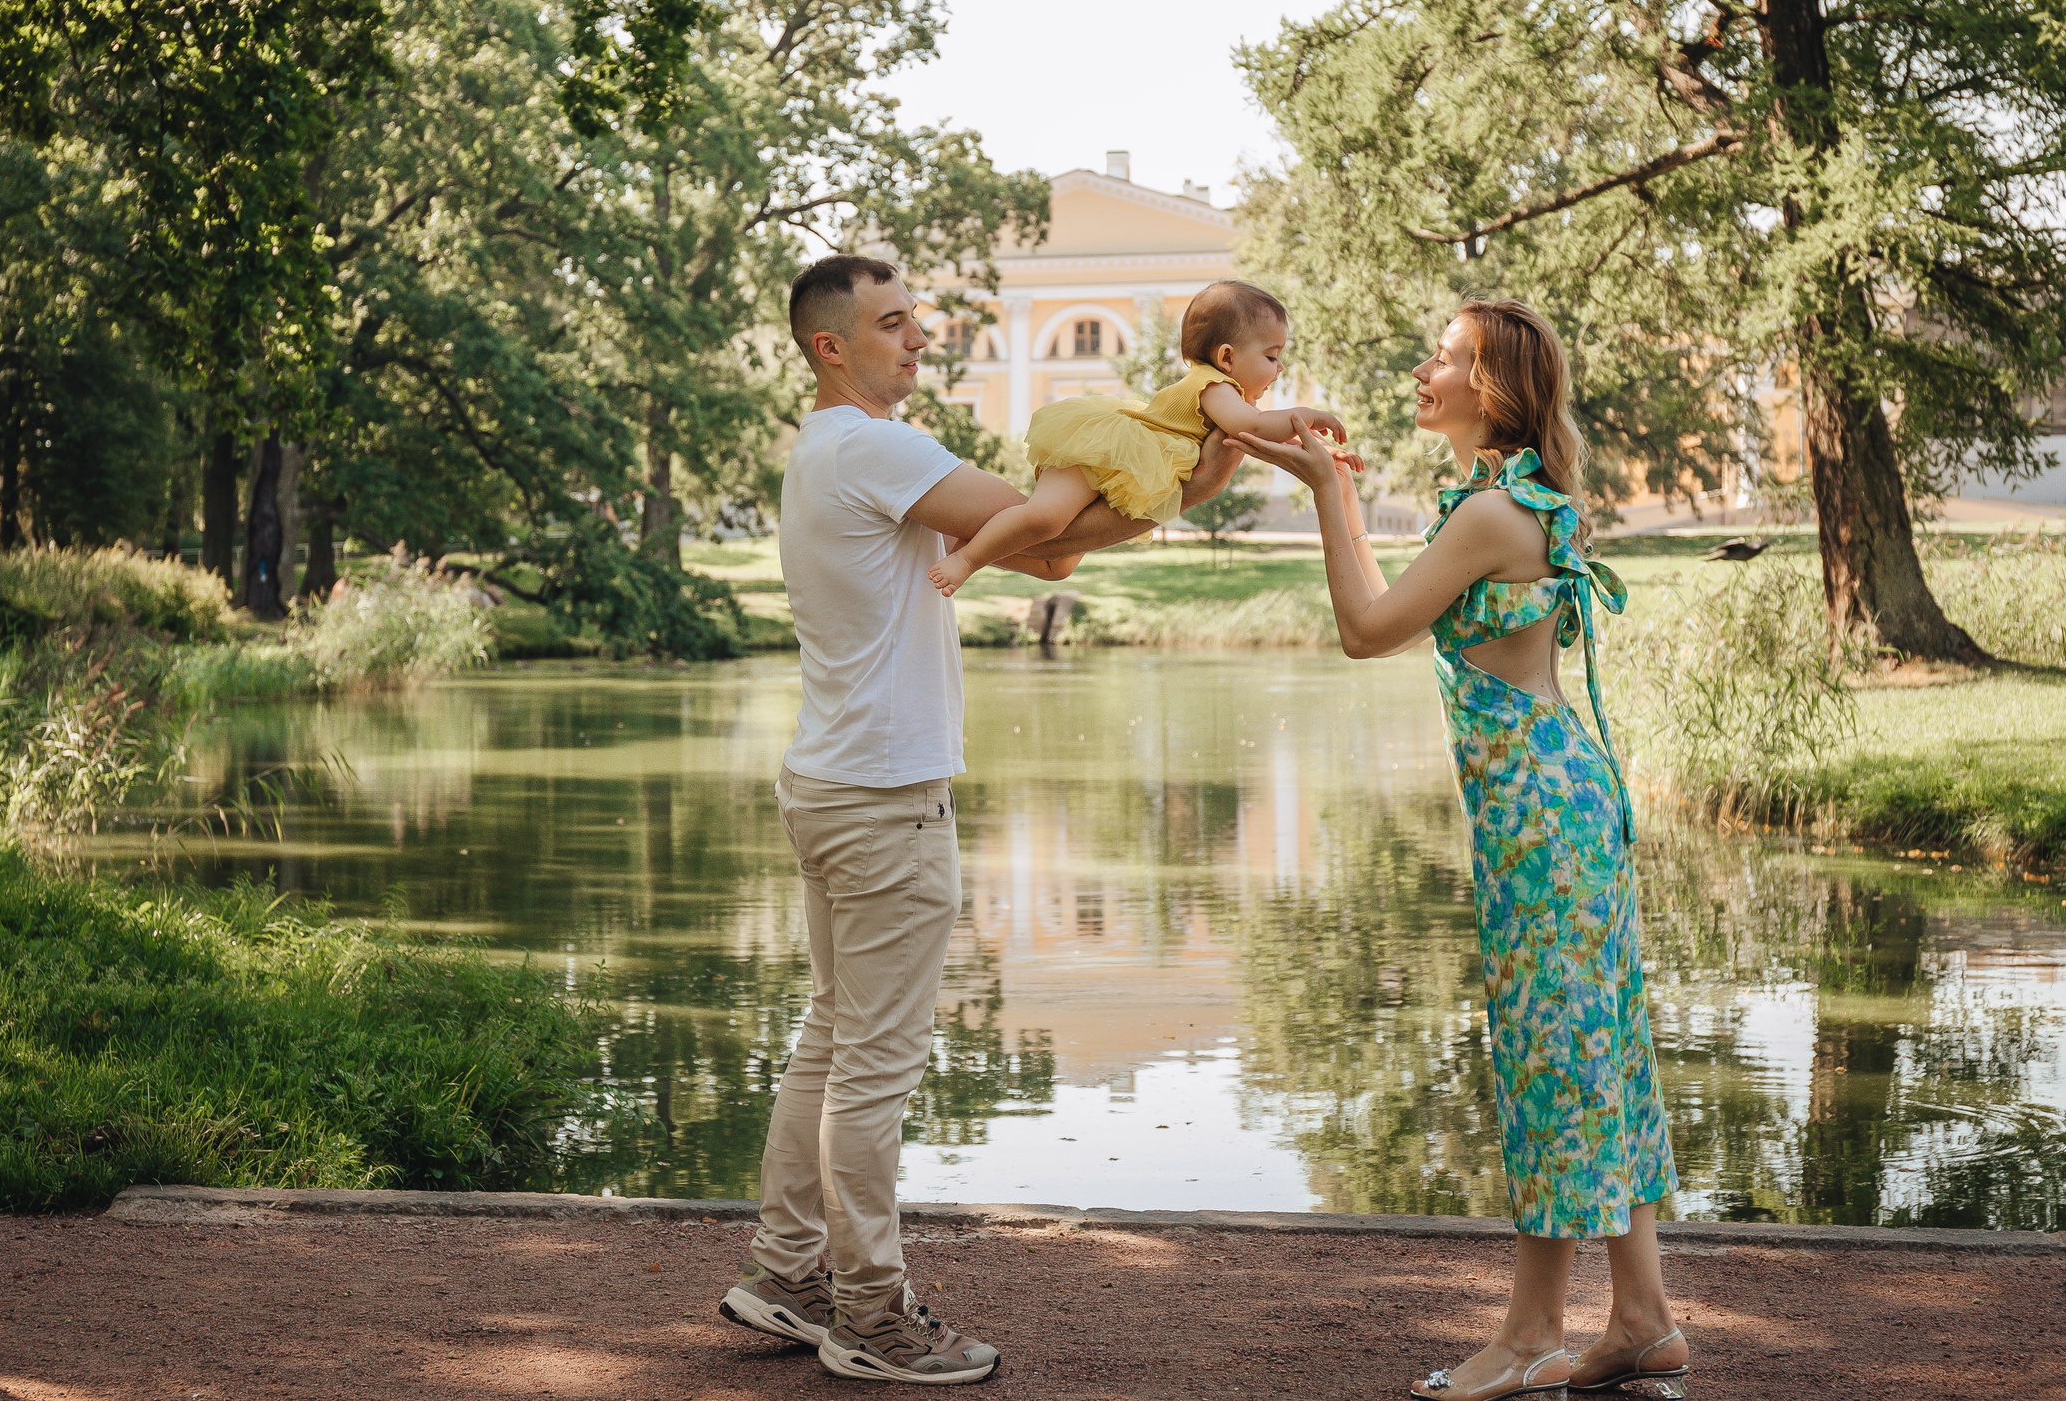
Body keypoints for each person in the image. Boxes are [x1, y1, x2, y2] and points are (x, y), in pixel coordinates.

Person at [716, 254, 1242, 1386]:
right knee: (875, 1065)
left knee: (831, 1036)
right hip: (886, 797)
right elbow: (1045, 539)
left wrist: (1172, 495)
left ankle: (782, 1271)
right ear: (830, 348)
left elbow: (1028, 540)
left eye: (916, 321)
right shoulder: (877, 446)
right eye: (893, 325)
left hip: (830, 782)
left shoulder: (823, 451)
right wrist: (1179, 490)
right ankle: (866, 1312)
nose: (918, 340)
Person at [1234, 300, 1687, 1401]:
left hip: (1542, 817)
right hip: (1559, 809)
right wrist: (1259, 436)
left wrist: (1330, 491)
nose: (1422, 368)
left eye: (1443, 357)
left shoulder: (1492, 512)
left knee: (1551, 1066)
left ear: (1490, 388)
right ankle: (1642, 1319)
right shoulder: (1508, 500)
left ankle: (1533, 1331)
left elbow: (1366, 626)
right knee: (1598, 1056)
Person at [925, 280, 1346, 595]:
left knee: (1060, 565)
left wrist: (1320, 451)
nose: (1280, 369)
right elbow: (1253, 429)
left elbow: (1261, 439)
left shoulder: (1234, 401)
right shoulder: (1216, 387)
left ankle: (961, 539)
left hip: (1126, 467)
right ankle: (967, 559)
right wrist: (1306, 416)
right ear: (1227, 357)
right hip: (1103, 451)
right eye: (1272, 357)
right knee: (1046, 518)